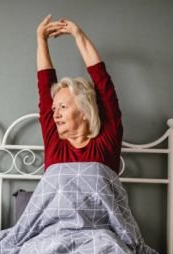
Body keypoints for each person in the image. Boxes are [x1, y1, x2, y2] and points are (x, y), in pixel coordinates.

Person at [36, 15, 123, 174]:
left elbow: (103, 83)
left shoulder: (107, 141)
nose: (55, 115)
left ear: (84, 111)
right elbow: (44, 86)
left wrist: (78, 35)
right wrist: (41, 40)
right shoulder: (54, 141)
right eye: (54, 108)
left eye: (62, 107)